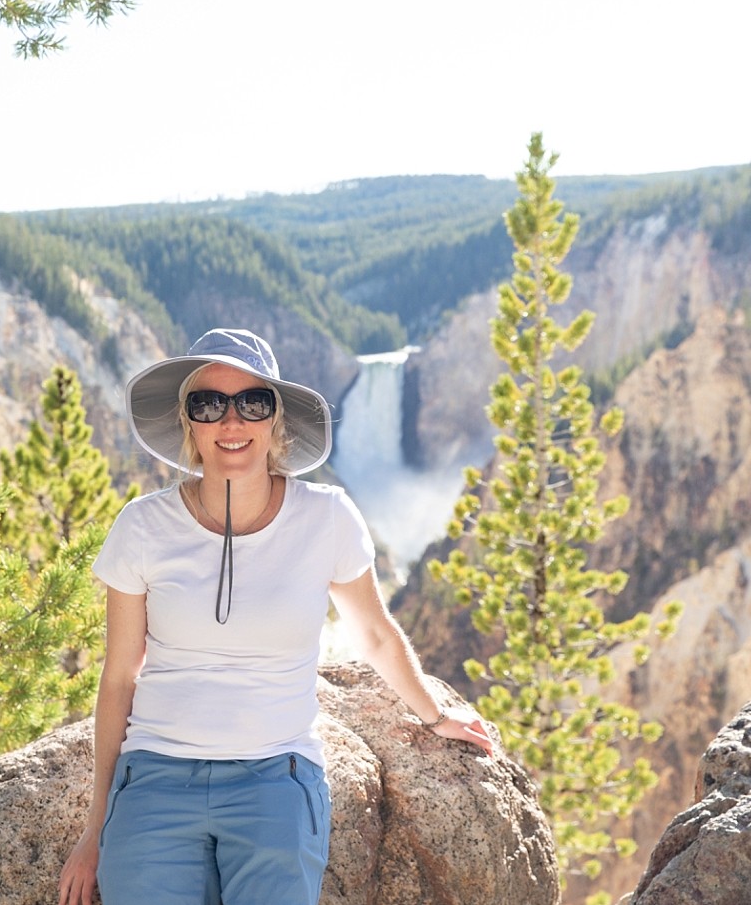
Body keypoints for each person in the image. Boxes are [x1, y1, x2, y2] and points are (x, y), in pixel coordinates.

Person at [57, 328, 496, 905]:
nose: (231, 423)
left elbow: (375, 636)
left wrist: (436, 715)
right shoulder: (142, 527)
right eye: (209, 405)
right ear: (188, 423)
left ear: (276, 421)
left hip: (275, 778)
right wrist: (96, 829)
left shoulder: (328, 517)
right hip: (156, 778)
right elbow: (118, 678)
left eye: (252, 403)